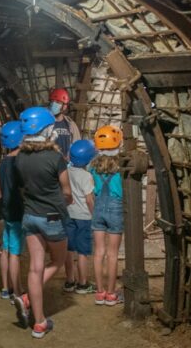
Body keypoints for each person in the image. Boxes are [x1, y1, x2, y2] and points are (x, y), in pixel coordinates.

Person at [13, 107, 73, 339]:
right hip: (52, 217)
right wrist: (63, 202)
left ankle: (38, 322)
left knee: (35, 267)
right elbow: (66, 192)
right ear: (47, 129)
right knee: (58, 260)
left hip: (30, 216)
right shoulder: (55, 158)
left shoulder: (20, 157)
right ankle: (27, 297)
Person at [90, 125, 125, 306]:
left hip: (98, 208)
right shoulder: (121, 166)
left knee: (98, 253)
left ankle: (99, 291)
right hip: (116, 208)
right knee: (112, 254)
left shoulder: (93, 166)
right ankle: (111, 294)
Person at [63, 140, 97, 295]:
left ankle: (69, 281)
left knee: (69, 250)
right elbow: (89, 199)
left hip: (68, 214)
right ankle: (83, 284)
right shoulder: (87, 176)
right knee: (83, 252)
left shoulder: (66, 172)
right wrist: (94, 214)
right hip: (84, 217)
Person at [0, 121, 25, 302]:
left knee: (5, 249)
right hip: (17, 211)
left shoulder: (3, 162)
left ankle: (6, 288)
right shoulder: (18, 163)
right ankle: (18, 290)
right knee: (15, 253)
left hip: (6, 210)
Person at [48, 88, 81, 160]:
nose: (54, 104)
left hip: (66, 165)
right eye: (52, 101)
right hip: (49, 165)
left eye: (58, 102)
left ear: (65, 106)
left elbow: (77, 145)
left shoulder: (70, 124)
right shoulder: (44, 123)